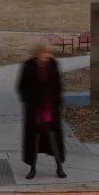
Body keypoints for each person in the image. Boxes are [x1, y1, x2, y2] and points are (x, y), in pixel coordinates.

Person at [16, 38, 67, 179]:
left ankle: (59, 168)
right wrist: (28, 102)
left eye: (47, 51)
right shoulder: (28, 65)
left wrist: (57, 103)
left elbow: (58, 86)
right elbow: (22, 87)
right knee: (35, 137)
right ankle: (32, 169)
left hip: (49, 107)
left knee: (52, 136)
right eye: (43, 51)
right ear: (37, 52)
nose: (46, 54)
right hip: (35, 108)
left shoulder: (53, 64)